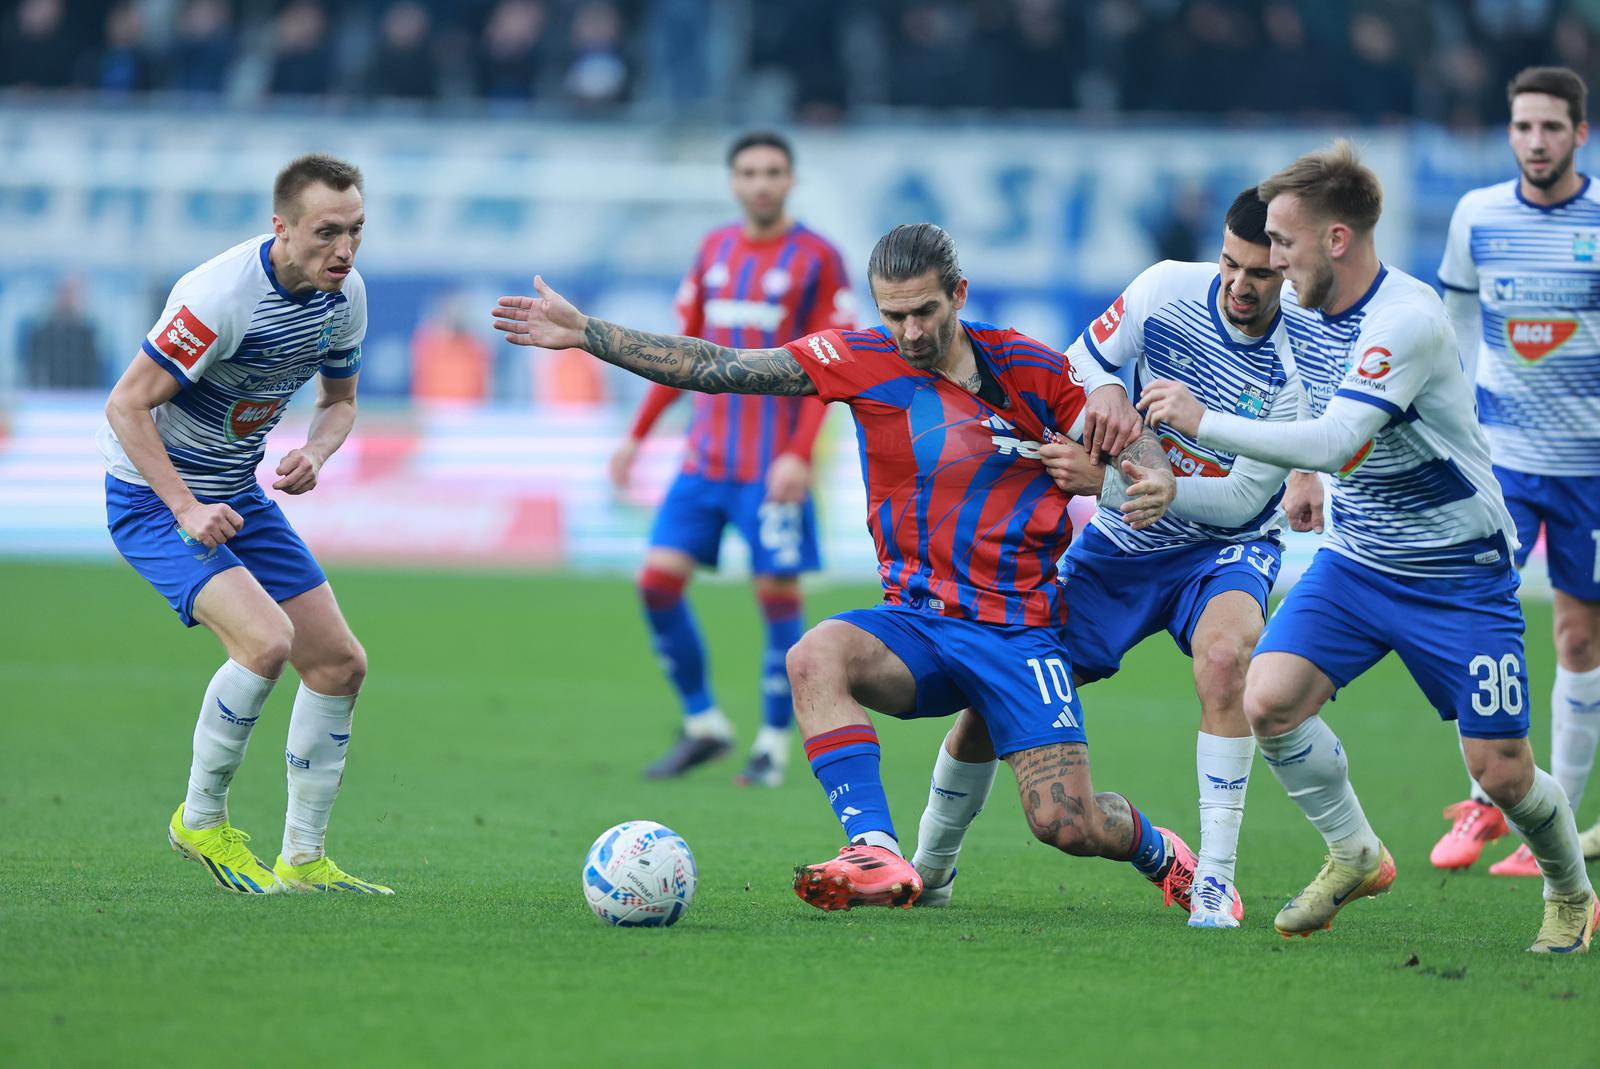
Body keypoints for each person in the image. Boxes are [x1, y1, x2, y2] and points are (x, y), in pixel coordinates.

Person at [495, 223, 1204, 917]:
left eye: (925, 310)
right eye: (893, 314)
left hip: (1017, 631)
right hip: (917, 624)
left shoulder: (1032, 367)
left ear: (959, 293)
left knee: (1068, 825)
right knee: (814, 653)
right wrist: (588, 332)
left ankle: (1160, 852)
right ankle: (873, 848)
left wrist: (1148, 479)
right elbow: (715, 364)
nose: (911, 331)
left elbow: (1136, 449)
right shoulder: (858, 358)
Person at [1140, 141, 1598, 952]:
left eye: (1282, 243)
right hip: (1357, 562)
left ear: (1336, 240)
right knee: (1269, 699)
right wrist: (1303, 473)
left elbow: (1341, 431)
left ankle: (1569, 891)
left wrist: (1206, 422)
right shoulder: (1305, 317)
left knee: (1501, 771)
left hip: (1457, 572)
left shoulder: (1406, 321)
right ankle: (1354, 849)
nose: (1271, 261)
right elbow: (1310, 418)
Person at [909, 188, 1298, 929]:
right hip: (1120, 548)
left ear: (1291, 269)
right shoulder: (1163, 289)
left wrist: (1114, 484)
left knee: (1224, 663)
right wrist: (1112, 391)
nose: (1239, 286)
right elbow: (1080, 361)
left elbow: (1244, 500)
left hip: (1225, 548)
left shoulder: (1301, 354)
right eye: (1229, 264)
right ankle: (931, 866)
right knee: (999, 685)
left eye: (1261, 274)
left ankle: (1213, 880)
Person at [99, 154, 389, 896]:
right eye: (327, 232)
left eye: (356, 230)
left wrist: (317, 452)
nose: (345, 250)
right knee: (265, 642)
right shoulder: (220, 298)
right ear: (282, 228)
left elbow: (340, 400)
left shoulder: (343, 295)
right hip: (154, 497)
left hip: (236, 491)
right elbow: (127, 406)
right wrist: (186, 508)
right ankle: (199, 819)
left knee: (339, 663)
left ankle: (302, 859)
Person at [610, 131, 853, 787]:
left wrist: (801, 455)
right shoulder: (714, 251)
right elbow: (677, 354)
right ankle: (704, 724)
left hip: (772, 461)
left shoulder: (819, 259)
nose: (761, 183)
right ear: (733, 181)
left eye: (773, 171)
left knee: (775, 594)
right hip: (705, 458)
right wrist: (637, 435)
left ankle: (774, 740)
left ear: (791, 179)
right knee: (656, 583)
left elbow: (828, 368)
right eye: (749, 171)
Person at [1431, 66, 1600, 877]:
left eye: (1552, 128)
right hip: (1502, 465)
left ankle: (1552, 822)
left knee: (1576, 635)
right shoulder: (1478, 216)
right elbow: (1459, 314)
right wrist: (1459, 405)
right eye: (1524, 127)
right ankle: (1482, 800)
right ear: (1510, 132)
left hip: (1589, 472)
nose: (1536, 141)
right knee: (1480, 627)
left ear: (1580, 134)